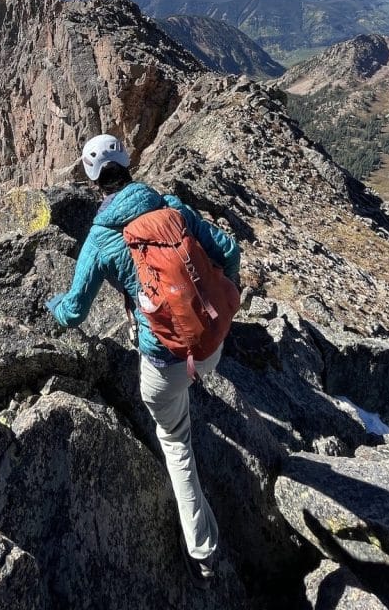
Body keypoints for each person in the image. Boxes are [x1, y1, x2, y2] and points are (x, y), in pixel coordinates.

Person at [46, 134, 241, 589]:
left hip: (164, 364)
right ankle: (197, 366)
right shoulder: (171, 206)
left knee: (176, 442)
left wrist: (52, 305)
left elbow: (74, 312)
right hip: (213, 345)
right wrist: (223, 302)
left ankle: (204, 551)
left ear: (94, 180)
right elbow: (228, 249)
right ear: (129, 166)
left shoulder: (98, 240)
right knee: (188, 387)